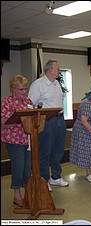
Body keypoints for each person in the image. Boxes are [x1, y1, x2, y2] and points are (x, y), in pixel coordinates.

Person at [28, 59, 68, 191]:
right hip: (46, 121)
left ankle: (56, 177)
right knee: (45, 151)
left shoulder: (56, 83)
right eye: (57, 68)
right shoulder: (38, 85)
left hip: (59, 120)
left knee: (58, 150)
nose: (59, 71)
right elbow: (30, 105)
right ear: (50, 70)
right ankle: (43, 180)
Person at [1, 75, 33, 207]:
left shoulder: (28, 102)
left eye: (25, 89)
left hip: (28, 140)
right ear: (13, 89)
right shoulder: (6, 102)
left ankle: (28, 192)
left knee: (27, 168)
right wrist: (19, 119)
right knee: (18, 167)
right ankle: (16, 194)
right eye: (21, 89)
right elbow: (3, 123)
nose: (24, 92)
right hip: (14, 141)